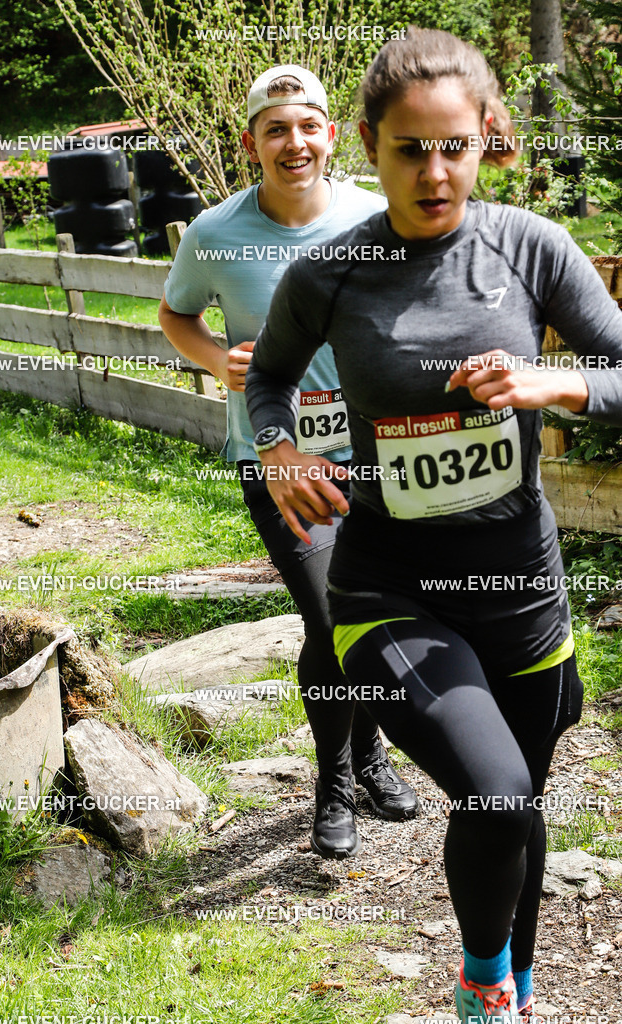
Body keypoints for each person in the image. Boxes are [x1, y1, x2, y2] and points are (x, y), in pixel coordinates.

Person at [245, 28, 622, 1024]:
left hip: (523, 596)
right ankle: (479, 981)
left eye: (454, 145)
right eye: (408, 148)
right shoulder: (329, 272)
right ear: (368, 143)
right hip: (387, 593)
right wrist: (279, 454)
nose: (433, 170)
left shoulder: (530, 246)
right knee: (496, 791)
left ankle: (511, 994)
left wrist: (561, 382)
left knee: (519, 812)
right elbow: (270, 381)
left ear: (487, 137)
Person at [157, 65, 420, 860]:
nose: (294, 142)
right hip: (276, 457)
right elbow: (175, 312)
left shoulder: (379, 215)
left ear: (333, 137)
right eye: (276, 129)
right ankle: (334, 781)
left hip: (377, 451)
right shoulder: (215, 234)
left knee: (370, 613)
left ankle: (371, 758)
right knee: (331, 616)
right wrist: (214, 360)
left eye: (308, 126)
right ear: (252, 144)